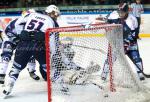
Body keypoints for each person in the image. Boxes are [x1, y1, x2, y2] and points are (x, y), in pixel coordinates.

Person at [99, 3, 145, 81]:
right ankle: (104, 74)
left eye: (122, 12)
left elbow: (135, 34)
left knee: (136, 57)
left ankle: (140, 73)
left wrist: (128, 42)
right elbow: (105, 22)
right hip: (117, 42)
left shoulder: (133, 19)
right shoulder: (113, 15)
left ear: (127, 11)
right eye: (119, 12)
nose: (121, 14)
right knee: (110, 58)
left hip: (130, 42)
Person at [0, 9, 40, 85]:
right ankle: (2, 74)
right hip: (10, 40)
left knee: (30, 55)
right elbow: (7, 32)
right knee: (6, 56)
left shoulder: (35, 25)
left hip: (23, 42)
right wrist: (17, 40)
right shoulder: (15, 22)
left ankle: (31, 71)